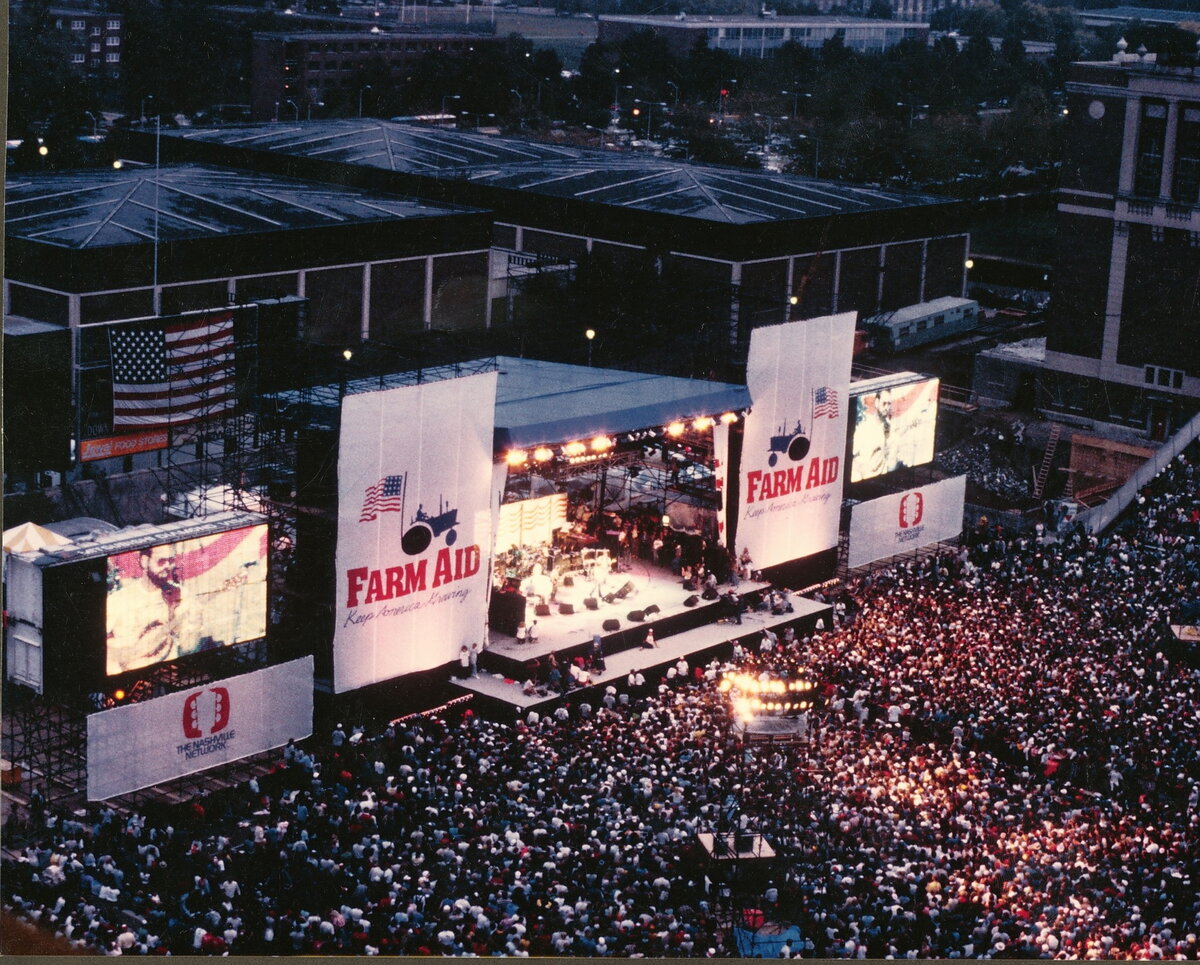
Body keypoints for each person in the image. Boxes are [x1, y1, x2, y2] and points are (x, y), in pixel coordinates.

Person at [106, 543, 197, 674]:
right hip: (129, 676)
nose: (167, 566)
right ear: (144, 561)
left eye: (170, 560)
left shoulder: (180, 594)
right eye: (161, 561)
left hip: (167, 674)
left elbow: (188, 644)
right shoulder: (118, 600)